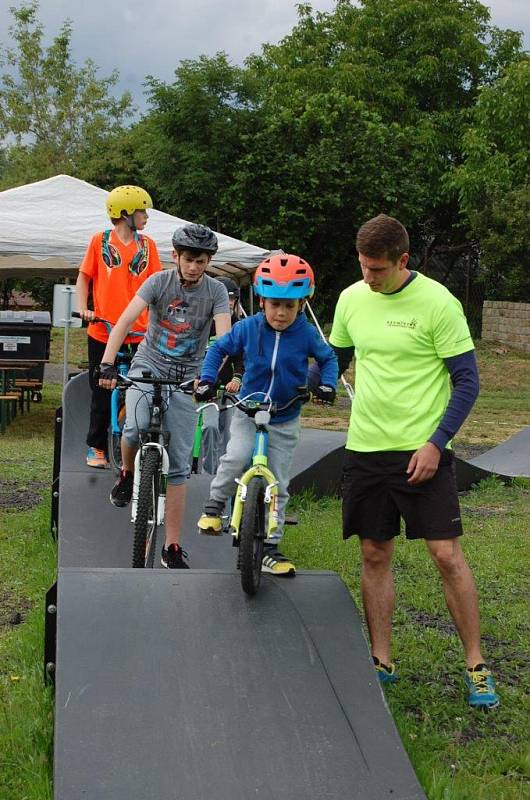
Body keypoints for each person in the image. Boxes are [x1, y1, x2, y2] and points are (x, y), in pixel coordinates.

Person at [328, 213, 499, 709]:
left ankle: (476, 664)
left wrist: (436, 442)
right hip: (366, 449)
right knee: (374, 554)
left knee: (446, 556)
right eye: (362, 267)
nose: (368, 278)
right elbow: (334, 359)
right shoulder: (351, 299)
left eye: (377, 269)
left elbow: (468, 381)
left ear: (403, 261)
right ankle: (381, 660)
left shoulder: (438, 303)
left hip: (423, 451)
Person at [195, 253, 338, 576]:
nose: (281, 312)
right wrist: (206, 380)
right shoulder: (247, 328)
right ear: (261, 301)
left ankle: (270, 547)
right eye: (275, 304)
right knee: (235, 458)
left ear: (302, 304)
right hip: (248, 410)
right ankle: (214, 507)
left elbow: (327, 359)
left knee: (280, 483)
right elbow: (218, 348)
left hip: (285, 416)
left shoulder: (305, 333)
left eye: (290, 305)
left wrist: (327, 385)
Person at [98, 224, 231, 569]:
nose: (194, 267)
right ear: (176, 256)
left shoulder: (215, 292)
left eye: (201, 261)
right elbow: (126, 321)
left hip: (189, 374)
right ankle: (126, 472)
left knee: (180, 464)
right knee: (133, 427)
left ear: (208, 261)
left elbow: (224, 336)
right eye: (188, 260)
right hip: (149, 362)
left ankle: (171, 546)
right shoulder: (158, 281)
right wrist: (107, 364)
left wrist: (212, 377)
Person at [76, 185, 162, 468]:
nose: (147, 216)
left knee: (145, 389)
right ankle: (96, 446)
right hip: (103, 330)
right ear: (125, 214)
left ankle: (143, 444)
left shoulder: (147, 246)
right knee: (101, 390)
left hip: (140, 333)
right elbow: (84, 277)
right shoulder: (99, 242)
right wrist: (83, 308)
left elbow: (158, 286)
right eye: (142, 211)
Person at [198, 275, 245, 474]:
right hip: (206, 385)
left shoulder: (239, 327)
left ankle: (226, 470)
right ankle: (210, 471)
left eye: (232, 301)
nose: (228, 304)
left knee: (230, 431)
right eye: (224, 300)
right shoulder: (202, 325)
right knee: (210, 427)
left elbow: (242, 359)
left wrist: (237, 377)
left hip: (227, 387)